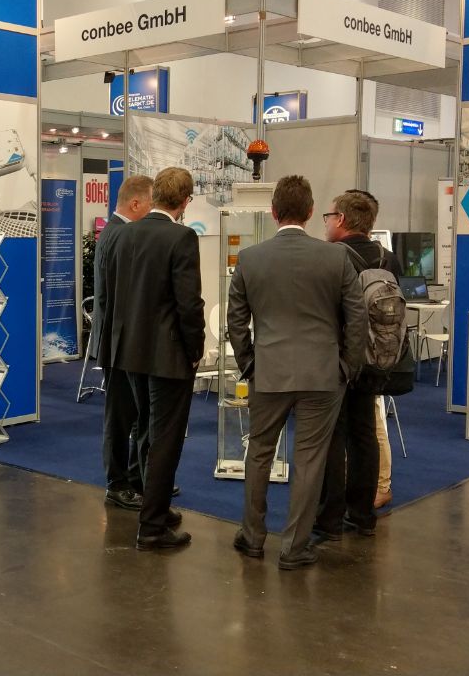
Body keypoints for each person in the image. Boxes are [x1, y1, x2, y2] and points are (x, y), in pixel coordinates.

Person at [226, 175, 366, 570]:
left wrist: (249, 363)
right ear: (310, 211)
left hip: (268, 372)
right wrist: (346, 367)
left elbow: (236, 321)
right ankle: (294, 547)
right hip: (323, 374)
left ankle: (252, 537)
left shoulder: (250, 259)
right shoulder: (335, 258)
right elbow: (356, 319)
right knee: (310, 459)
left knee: (259, 453)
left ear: (273, 213)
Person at [99, 167, 204, 550]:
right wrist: (196, 350)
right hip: (167, 357)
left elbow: (117, 296)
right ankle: (152, 527)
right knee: (164, 439)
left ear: (156, 194)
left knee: (146, 429)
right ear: (185, 201)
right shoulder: (182, 237)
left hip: (130, 353)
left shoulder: (124, 234)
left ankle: (153, 506)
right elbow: (188, 304)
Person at [313, 190, 398, 542]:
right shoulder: (388, 258)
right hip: (375, 358)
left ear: (342, 219)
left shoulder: (330, 257)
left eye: (329, 216)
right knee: (364, 433)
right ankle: (362, 515)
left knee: (333, 436)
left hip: (337, 358)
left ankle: (329, 518)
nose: (326, 223)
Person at [92, 175, 154, 511]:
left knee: (131, 413)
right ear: (135, 203)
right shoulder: (120, 235)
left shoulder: (114, 232)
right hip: (118, 344)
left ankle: (135, 477)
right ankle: (117, 484)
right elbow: (117, 297)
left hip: (120, 342)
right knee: (119, 417)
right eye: (150, 205)